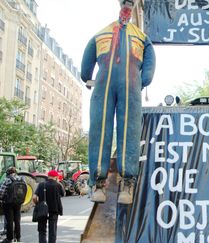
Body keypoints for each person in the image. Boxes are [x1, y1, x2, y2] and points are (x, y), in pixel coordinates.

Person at [81, 0, 156, 204]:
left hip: (128, 88)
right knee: (100, 128)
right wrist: (86, 75)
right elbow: (86, 65)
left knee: (129, 130)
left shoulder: (141, 37)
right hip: (108, 87)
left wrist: (145, 78)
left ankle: (128, 182)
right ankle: (98, 183)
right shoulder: (102, 34)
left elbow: (150, 61)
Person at [33, 170, 64, 243]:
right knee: (52, 230)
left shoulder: (41, 184)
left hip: (42, 210)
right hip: (54, 210)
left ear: (48, 176)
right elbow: (63, 194)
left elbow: (34, 197)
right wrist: (58, 182)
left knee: (42, 230)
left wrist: (37, 204)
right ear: (56, 177)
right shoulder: (58, 185)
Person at [0, 167, 26, 243]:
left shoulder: (7, 179)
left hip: (8, 203)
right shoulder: (21, 178)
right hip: (18, 202)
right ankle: (18, 238)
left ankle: (9, 238)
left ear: (8, 173)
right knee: (17, 220)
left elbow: (1, 192)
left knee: (9, 221)